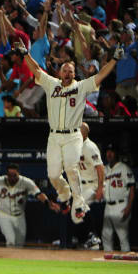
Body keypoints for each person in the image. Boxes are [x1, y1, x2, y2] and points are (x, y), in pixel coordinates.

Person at [22, 39, 121, 224]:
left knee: (70, 167)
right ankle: (65, 193)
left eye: (70, 71)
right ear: (60, 73)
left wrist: (114, 60)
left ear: (75, 74)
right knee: (52, 175)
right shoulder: (52, 84)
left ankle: (78, 203)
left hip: (73, 135)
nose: (67, 73)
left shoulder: (80, 87)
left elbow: (100, 76)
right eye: (64, 70)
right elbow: (35, 69)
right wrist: (25, 54)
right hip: (54, 135)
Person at [102, 144, 135, 252]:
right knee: (106, 235)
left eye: (112, 151)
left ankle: (127, 263)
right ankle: (108, 264)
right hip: (108, 205)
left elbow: (132, 189)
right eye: (107, 151)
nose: (109, 154)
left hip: (121, 205)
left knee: (122, 236)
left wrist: (129, 207)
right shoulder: (104, 169)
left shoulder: (124, 168)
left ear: (116, 154)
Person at [78, 122, 105, 249]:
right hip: (81, 185)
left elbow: (100, 168)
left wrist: (100, 188)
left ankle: (93, 236)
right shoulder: (75, 145)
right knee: (73, 209)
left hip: (91, 185)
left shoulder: (90, 147)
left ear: (84, 133)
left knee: (79, 205)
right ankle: (89, 237)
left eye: (78, 131)